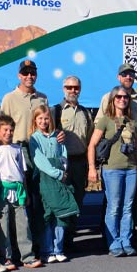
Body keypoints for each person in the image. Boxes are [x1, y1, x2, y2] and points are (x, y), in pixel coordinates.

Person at [87, 86, 137, 257]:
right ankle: (114, 242)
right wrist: (91, 168)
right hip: (112, 169)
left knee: (127, 207)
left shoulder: (131, 122)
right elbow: (92, 145)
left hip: (131, 169)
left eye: (125, 97)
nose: (122, 100)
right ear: (113, 100)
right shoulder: (105, 120)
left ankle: (126, 241)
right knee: (114, 207)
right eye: (118, 97)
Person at [0, 115, 40, 271]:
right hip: (1, 191)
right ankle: (5, 257)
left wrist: (25, 191)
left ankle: (27, 256)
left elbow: (22, 173)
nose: (8, 133)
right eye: (5, 130)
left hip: (18, 191)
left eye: (11, 130)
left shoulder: (17, 149)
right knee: (2, 225)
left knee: (22, 224)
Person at [30, 106, 79, 263]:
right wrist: (56, 173)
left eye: (46, 118)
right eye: (40, 119)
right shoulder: (34, 138)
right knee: (46, 214)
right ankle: (47, 251)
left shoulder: (57, 136)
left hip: (60, 178)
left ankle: (59, 249)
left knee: (61, 214)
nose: (44, 121)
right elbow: (39, 160)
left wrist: (63, 168)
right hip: (45, 178)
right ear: (35, 121)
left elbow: (63, 152)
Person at [52, 75, 94, 247]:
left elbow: (90, 138)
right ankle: (58, 241)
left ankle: (70, 238)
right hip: (62, 162)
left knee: (77, 200)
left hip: (80, 162)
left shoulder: (86, 112)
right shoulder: (56, 111)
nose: (72, 91)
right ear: (63, 89)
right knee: (62, 200)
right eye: (69, 87)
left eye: (76, 87)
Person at [1, 60, 50, 144]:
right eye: (25, 73)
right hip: (17, 147)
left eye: (32, 73)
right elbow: (3, 127)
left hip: (40, 147)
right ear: (19, 76)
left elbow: (48, 126)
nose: (29, 76)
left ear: (36, 76)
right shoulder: (9, 98)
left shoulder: (43, 98)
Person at [99, 63, 137, 129]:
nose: (128, 77)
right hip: (113, 138)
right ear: (118, 77)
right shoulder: (108, 98)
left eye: (131, 74)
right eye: (124, 74)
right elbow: (98, 123)